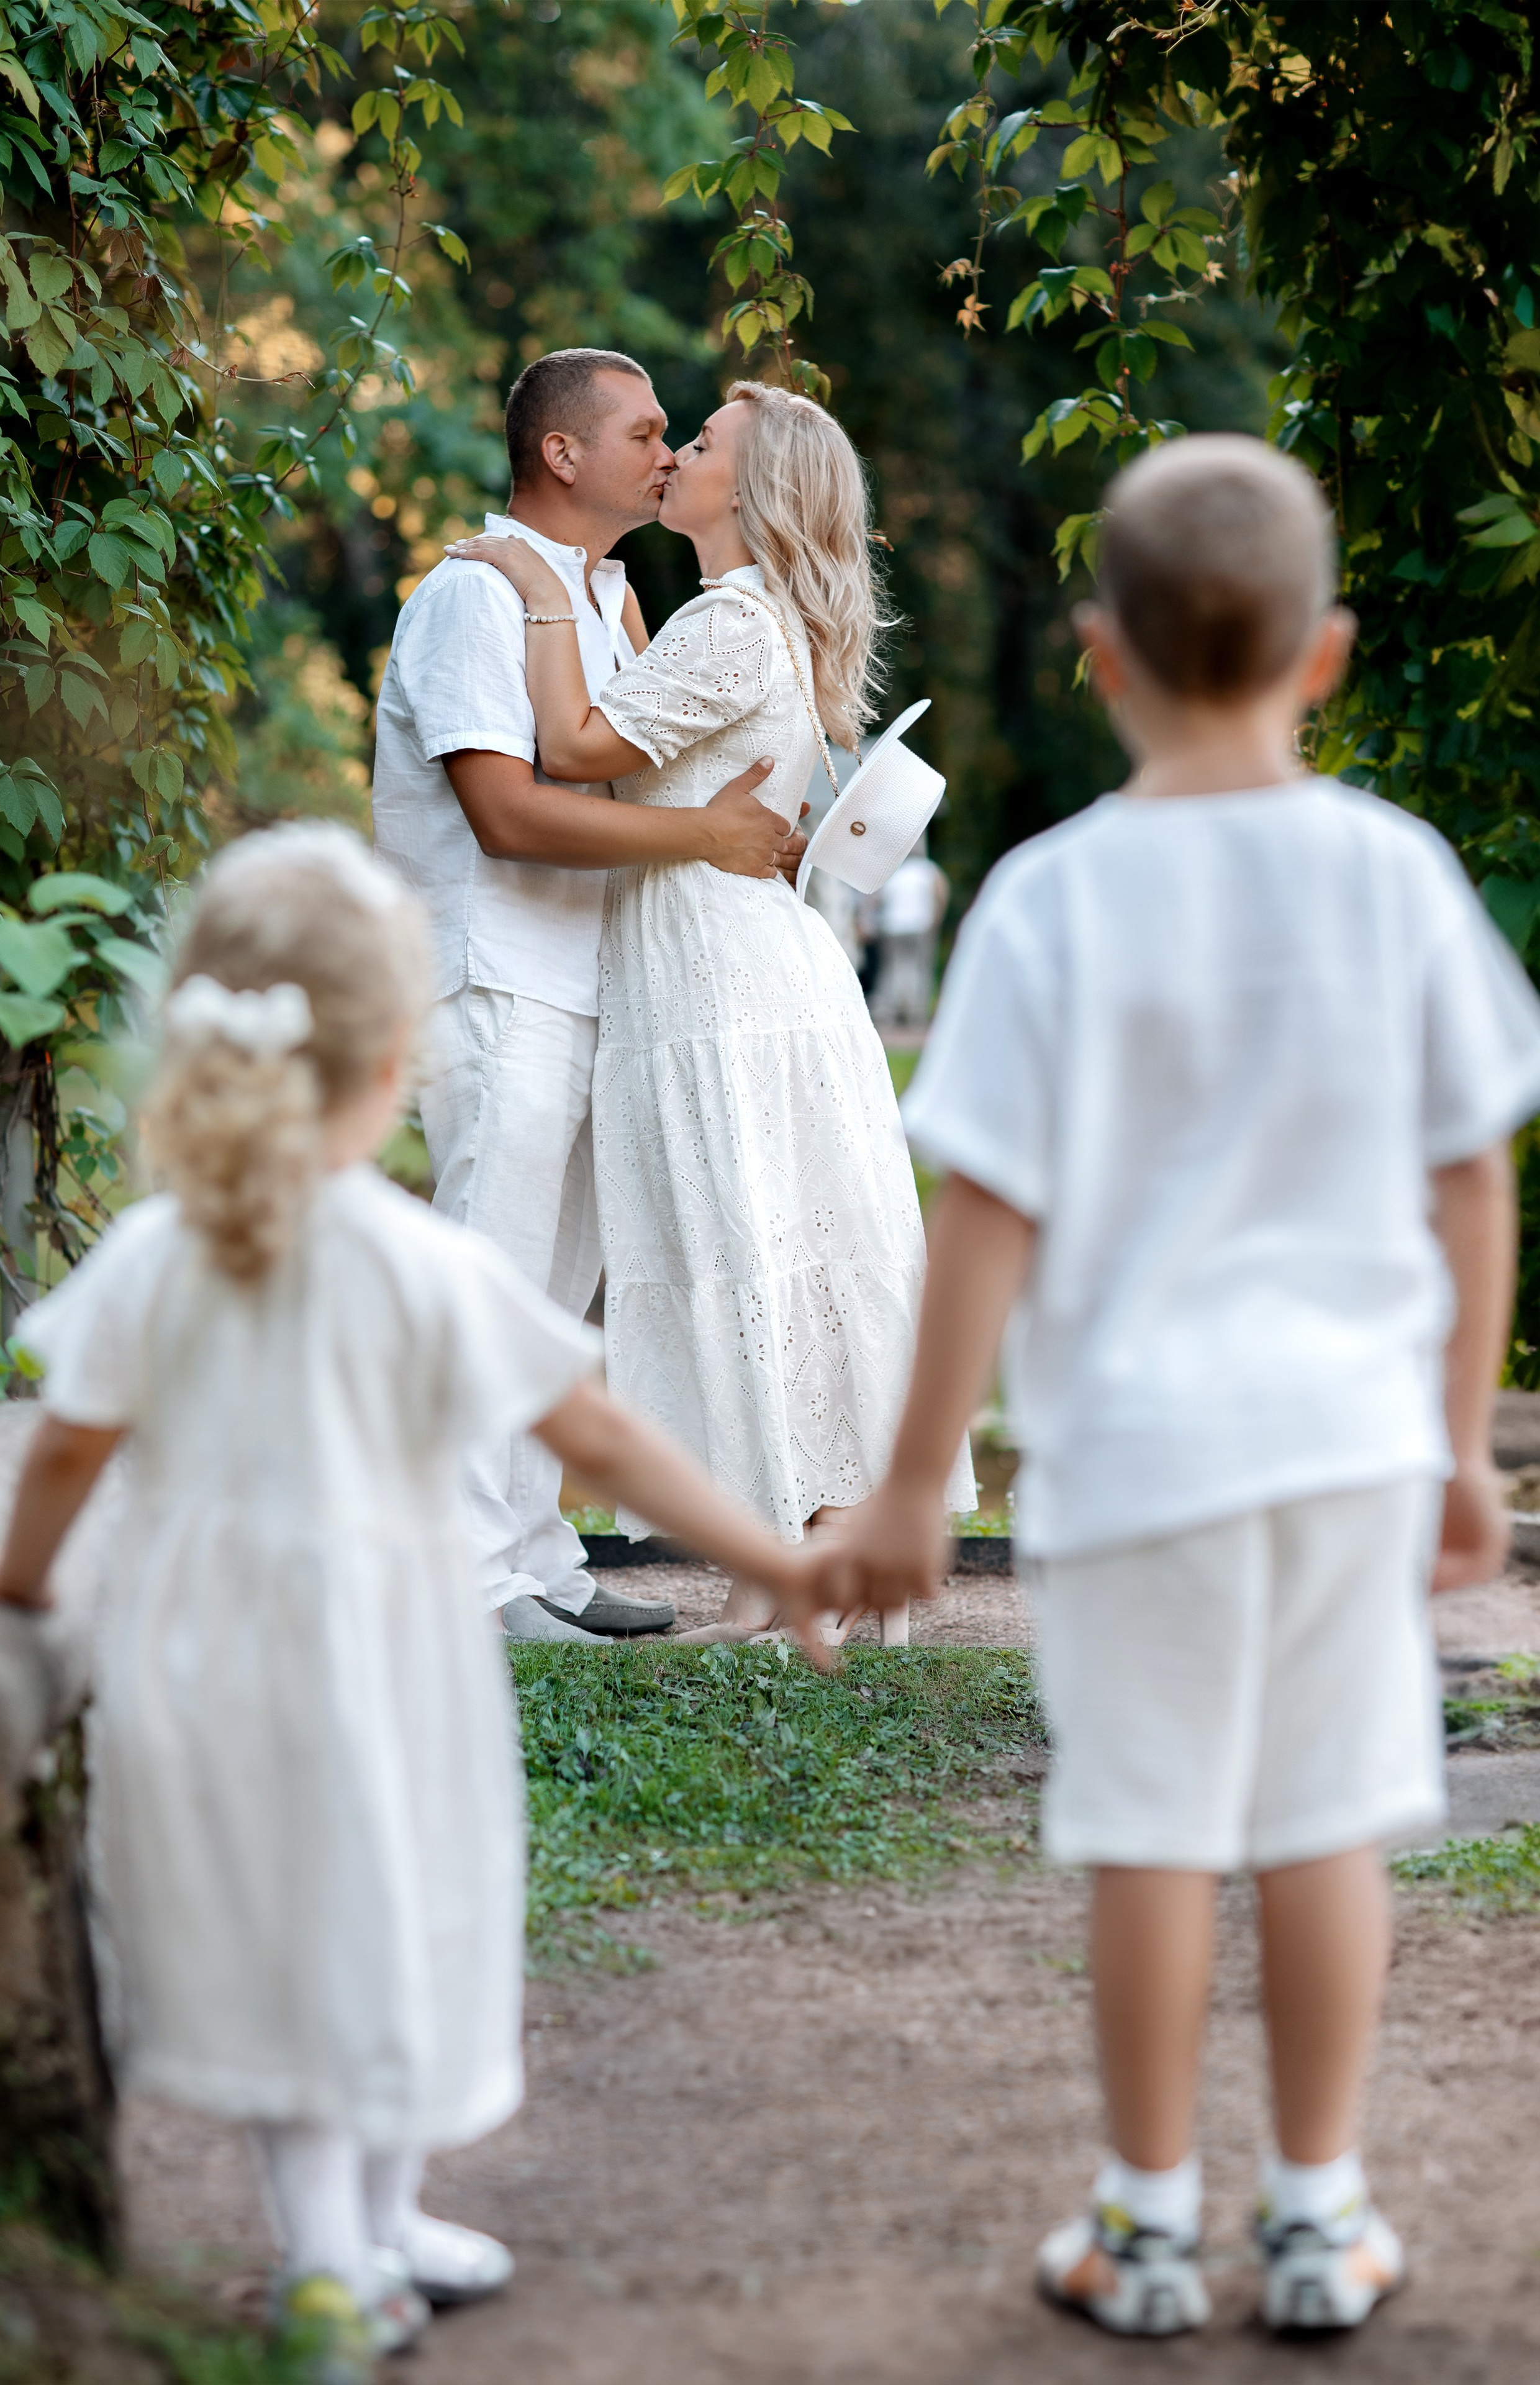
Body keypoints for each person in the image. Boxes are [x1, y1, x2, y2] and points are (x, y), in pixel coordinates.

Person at [0, 825, 839, 2376]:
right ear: (392, 1069)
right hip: (383, 1656)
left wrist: (18, 1585)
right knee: (383, 1918)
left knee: (281, 1930)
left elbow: (69, 1453)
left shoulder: (164, 1251)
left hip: (199, 1664)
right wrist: (770, 1556)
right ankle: (339, 2256)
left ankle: (349, 2237)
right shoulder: (417, 1258)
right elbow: (603, 1432)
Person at [830, 435, 1540, 2335]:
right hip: (1343, 1448)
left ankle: (1141, 2222)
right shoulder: (1392, 875)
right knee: (1321, 1818)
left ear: (1102, 653)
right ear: (1325, 654)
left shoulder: (1053, 899)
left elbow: (986, 1207)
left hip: (1132, 1455)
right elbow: (1468, 1178)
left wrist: (915, 1481)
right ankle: (1318, 2211)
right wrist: (1456, 1436)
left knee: (1145, 1824)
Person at [448, 382, 974, 1639]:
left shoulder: (733, 622)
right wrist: (615, 607)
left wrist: (532, 589)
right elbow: (650, 732)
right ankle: (815, 1557)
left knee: (747, 1249)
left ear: (746, 489)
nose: (674, 455)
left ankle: (798, 1558)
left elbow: (573, 749)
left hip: (713, 976)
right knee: (769, 1252)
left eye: (699, 446)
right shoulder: (738, 618)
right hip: (741, 964)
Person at [372, 348, 808, 1644]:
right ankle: (464, 1585)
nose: (666, 453)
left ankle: (532, 1560)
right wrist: (702, 843)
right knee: (490, 1279)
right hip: (497, 975)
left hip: (591, 982)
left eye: (676, 436)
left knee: (549, 1299)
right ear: (562, 453)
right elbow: (505, 812)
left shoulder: (601, 594)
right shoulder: (475, 592)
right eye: (643, 432)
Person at [869, 836, 948, 1027]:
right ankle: (916, 1013)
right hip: (919, 925)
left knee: (892, 968)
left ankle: (890, 1010)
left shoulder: (892, 871)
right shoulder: (929, 870)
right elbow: (941, 894)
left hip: (893, 925)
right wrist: (936, 919)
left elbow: (877, 899)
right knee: (919, 968)